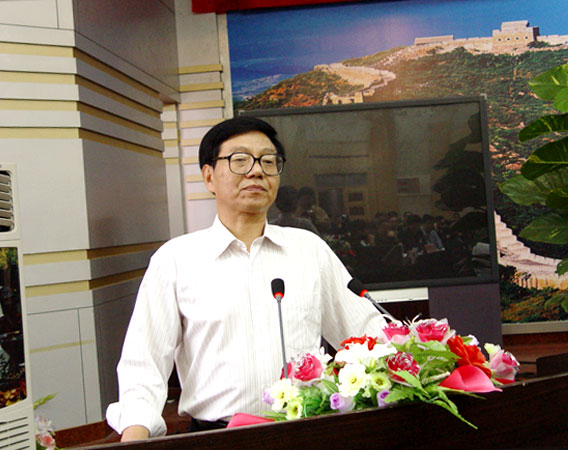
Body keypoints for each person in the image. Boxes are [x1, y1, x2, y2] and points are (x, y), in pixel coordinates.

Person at [106, 117, 385, 442]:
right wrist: (135, 436)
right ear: (209, 176)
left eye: (268, 161)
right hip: (216, 438)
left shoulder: (309, 250)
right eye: (240, 160)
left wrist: (418, 364)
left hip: (305, 432)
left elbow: (365, 332)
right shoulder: (176, 260)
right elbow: (144, 363)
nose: (256, 171)